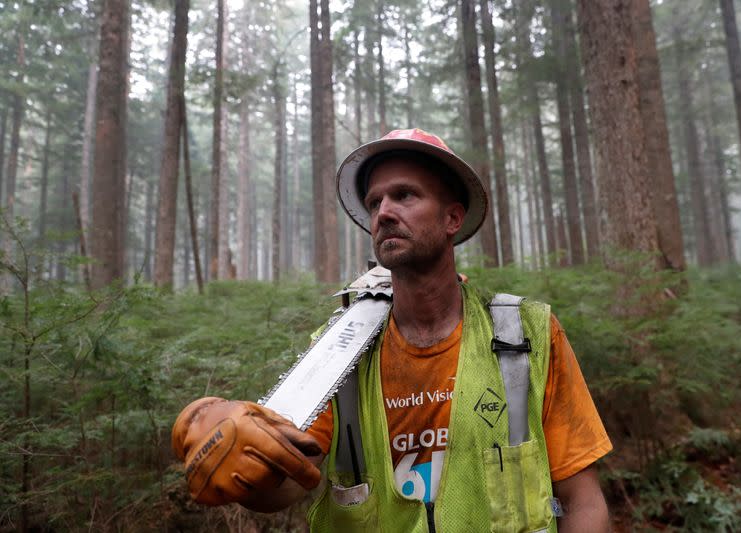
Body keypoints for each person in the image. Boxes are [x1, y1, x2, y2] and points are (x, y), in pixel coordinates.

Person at [172, 129, 613, 532]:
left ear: (452, 219)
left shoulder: (527, 336)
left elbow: (583, 500)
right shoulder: (338, 352)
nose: (383, 213)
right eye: (373, 203)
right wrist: (248, 475)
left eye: (404, 195)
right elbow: (292, 481)